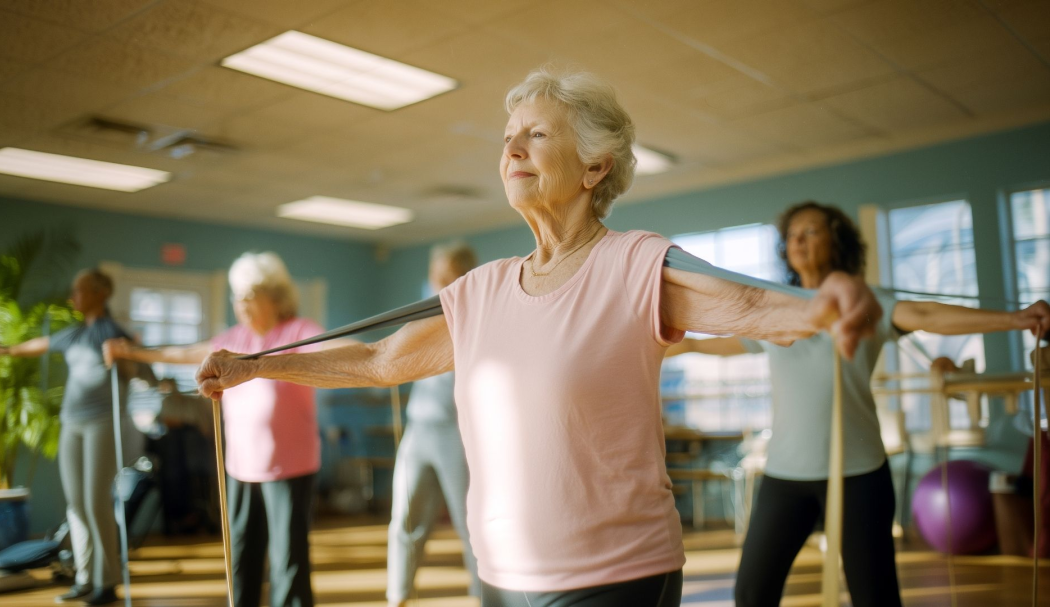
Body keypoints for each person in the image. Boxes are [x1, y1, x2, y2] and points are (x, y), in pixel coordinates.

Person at [194, 68, 882, 607]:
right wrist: (259, 365)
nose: (512, 146)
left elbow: (752, 304)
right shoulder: (480, 290)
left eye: (536, 134)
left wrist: (826, 302)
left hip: (617, 571)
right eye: (507, 137)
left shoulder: (634, 263)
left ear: (593, 167)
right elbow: (379, 361)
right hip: (503, 573)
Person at [664, 200, 1050, 606]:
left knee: (875, 596)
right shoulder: (772, 310)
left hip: (859, 473)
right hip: (786, 475)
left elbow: (925, 313)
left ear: (837, 240)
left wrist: (1015, 319)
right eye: (793, 234)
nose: (799, 240)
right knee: (752, 592)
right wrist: (654, 341)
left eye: (811, 231)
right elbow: (700, 342)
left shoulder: (868, 302)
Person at [104, 252, 333, 607]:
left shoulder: (299, 331)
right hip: (241, 465)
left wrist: (373, 354)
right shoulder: (233, 340)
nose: (238, 303)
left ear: (274, 295)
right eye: (235, 295)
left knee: (289, 557)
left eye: (247, 295)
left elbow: (334, 350)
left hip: (291, 465)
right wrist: (133, 352)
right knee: (242, 552)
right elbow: (182, 352)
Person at [0, 268, 133, 605]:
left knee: (97, 503)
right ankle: (84, 579)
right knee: (77, 506)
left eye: (80, 291)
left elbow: (136, 369)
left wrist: (124, 357)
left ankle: (106, 581)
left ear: (99, 294)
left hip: (102, 422)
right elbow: (41, 344)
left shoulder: (112, 331)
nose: (73, 297)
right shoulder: (74, 334)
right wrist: (7, 351)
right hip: (72, 423)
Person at [387, 242, 482, 606]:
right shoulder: (425, 315)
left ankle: (485, 596)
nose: (439, 282)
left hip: (457, 434)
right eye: (435, 275)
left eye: (447, 275)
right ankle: (398, 596)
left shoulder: (477, 315)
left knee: (471, 524)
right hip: (417, 431)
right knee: (404, 521)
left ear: (464, 275)